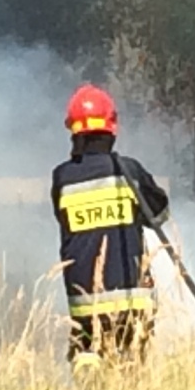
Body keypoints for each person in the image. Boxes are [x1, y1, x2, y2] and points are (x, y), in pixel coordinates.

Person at [51, 84, 170, 372]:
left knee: (87, 355)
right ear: (111, 128)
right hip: (131, 298)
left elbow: (63, 220)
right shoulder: (129, 171)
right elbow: (160, 214)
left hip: (83, 301)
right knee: (130, 365)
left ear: (74, 132)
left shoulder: (62, 177)